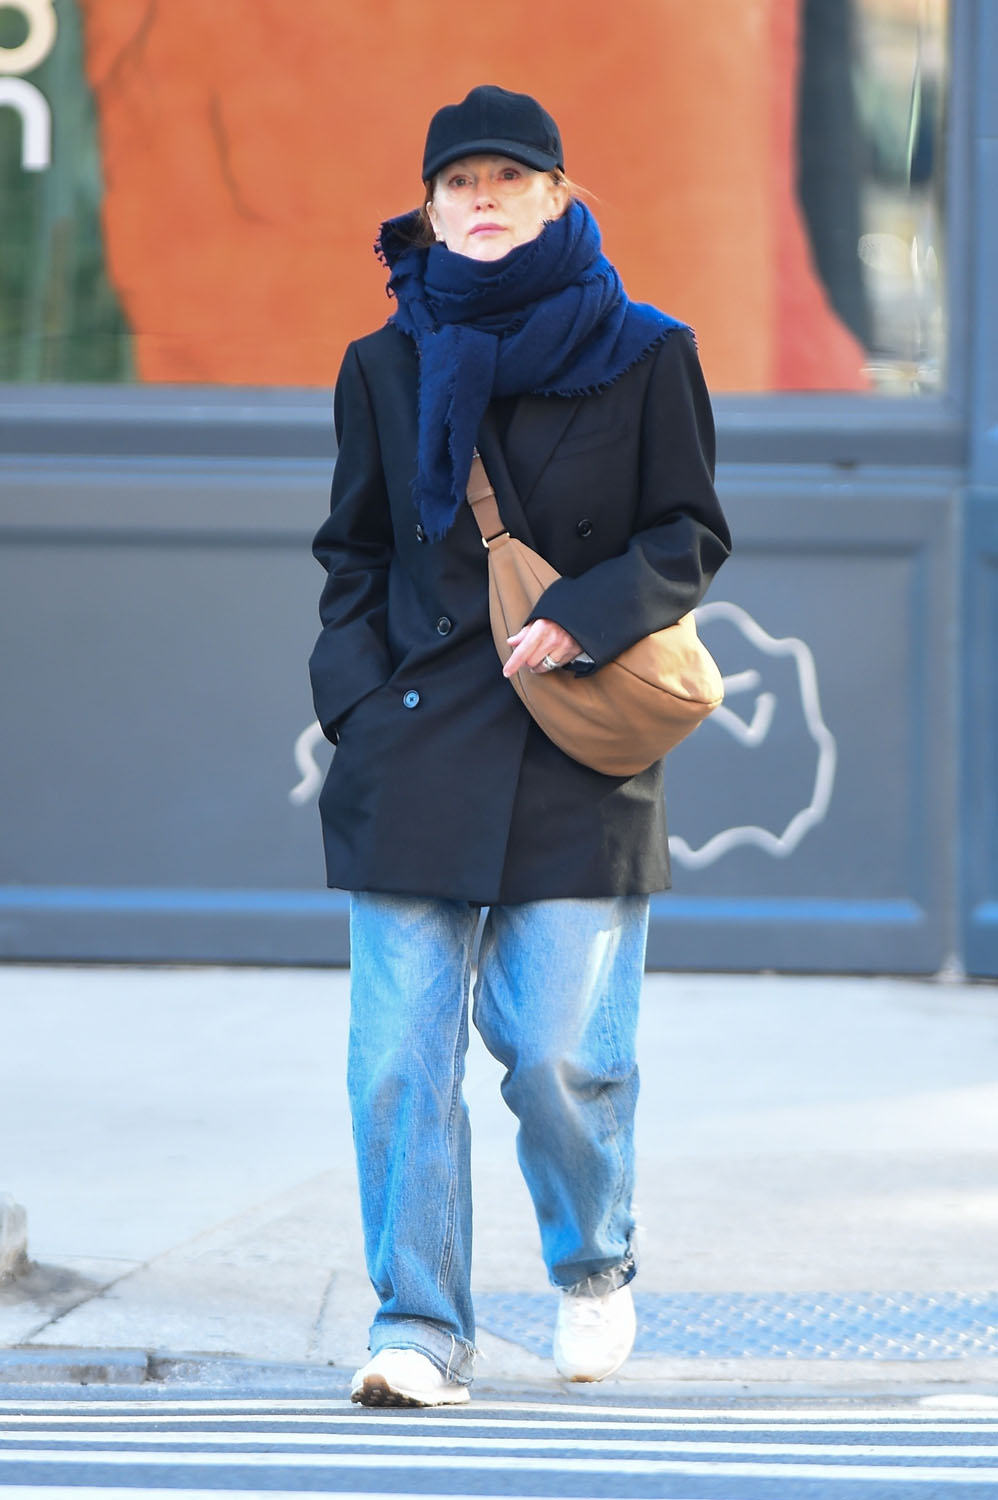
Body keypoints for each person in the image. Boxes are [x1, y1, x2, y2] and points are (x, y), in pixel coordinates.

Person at [309, 84, 731, 1408]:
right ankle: (418, 1327)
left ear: (557, 194)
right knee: (397, 1064)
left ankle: (592, 1266)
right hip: (416, 741)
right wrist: (354, 705)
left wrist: (581, 617)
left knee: (557, 1054)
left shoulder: (646, 350)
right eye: (458, 182)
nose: (482, 198)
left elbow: (688, 533)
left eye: (507, 177)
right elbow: (353, 554)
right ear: (430, 210)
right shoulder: (384, 363)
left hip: (577, 737)